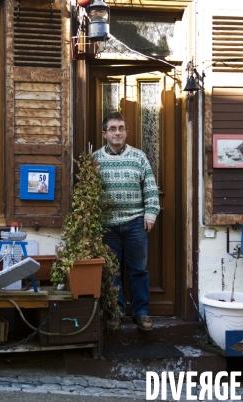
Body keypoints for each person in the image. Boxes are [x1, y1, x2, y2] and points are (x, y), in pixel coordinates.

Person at [93, 111, 160, 331]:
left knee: (138, 270)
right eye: (112, 129)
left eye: (121, 128)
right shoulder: (95, 159)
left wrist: (150, 213)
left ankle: (141, 313)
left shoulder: (139, 157)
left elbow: (150, 187)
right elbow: (88, 193)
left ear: (126, 132)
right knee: (111, 271)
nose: (117, 132)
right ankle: (116, 314)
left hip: (135, 224)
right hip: (107, 226)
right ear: (105, 134)